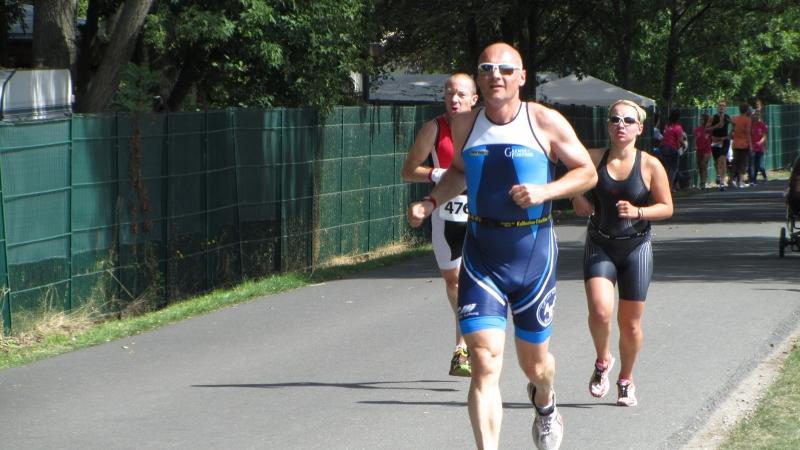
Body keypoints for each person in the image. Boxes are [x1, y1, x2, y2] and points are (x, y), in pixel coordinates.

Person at [407, 42, 597, 450]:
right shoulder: (465, 124)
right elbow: (460, 172)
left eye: (506, 69)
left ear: (521, 77)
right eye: (487, 68)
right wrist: (432, 201)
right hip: (481, 253)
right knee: (483, 361)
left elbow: (587, 172)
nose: (496, 75)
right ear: (478, 78)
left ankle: (545, 401)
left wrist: (546, 190)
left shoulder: (544, 121)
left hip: (532, 256)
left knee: (535, 364)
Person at [571, 99, 673, 408]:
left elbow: (667, 207)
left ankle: (626, 380)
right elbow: (569, 179)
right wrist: (577, 196)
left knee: (630, 324)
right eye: (615, 119)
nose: (621, 125)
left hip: (635, 248)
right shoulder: (593, 159)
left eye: (628, 121)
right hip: (600, 243)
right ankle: (603, 360)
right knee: (600, 311)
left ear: (639, 128)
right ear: (608, 125)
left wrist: (639, 211)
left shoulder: (650, 165)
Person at [401, 73, 479, 377]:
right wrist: (438, 174)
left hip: (481, 213)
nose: (454, 99)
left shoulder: (485, 127)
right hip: (446, 212)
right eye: (449, 94)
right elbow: (408, 171)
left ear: (474, 99)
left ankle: (466, 345)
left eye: (461, 94)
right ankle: (465, 342)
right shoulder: (434, 128)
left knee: (479, 278)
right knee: (454, 281)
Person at [706, 101, 732, 191]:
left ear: (726, 108)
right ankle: (718, 174)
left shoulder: (727, 117)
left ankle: (722, 182)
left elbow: (734, 125)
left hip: (724, 141)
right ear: (717, 107)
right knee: (716, 161)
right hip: (715, 141)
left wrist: (729, 135)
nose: (721, 107)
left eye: (723, 106)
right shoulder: (713, 118)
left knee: (722, 160)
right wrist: (716, 126)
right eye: (720, 106)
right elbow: (706, 129)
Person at [659, 110, 687, 191]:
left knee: (666, 168)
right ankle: (669, 188)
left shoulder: (667, 126)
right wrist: (684, 146)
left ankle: (665, 186)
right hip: (672, 148)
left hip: (663, 148)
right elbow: (680, 140)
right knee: (673, 169)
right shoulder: (678, 127)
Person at [730, 103, 752, 188]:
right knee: (742, 163)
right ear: (746, 110)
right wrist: (750, 145)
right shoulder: (748, 120)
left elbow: (732, 124)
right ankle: (741, 181)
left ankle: (731, 180)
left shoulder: (735, 118)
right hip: (744, 144)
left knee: (735, 162)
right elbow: (748, 133)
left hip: (735, 144)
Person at [694, 113, 712, 189]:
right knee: (700, 166)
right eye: (700, 119)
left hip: (707, 150)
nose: (700, 120)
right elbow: (696, 139)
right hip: (699, 150)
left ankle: (703, 182)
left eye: (702, 119)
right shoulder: (697, 129)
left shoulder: (709, 130)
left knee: (703, 165)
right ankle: (702, 181)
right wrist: (695, 145)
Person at [750, 110, 768, 183]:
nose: (756, 116)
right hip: (752, 147)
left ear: (759, 116)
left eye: (758, 115)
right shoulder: (750, 125)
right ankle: (753, 179)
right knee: (754, 164)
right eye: (755, 114)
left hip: (760, 148)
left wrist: (761, 143)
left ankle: (765, 177)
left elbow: (764, 136)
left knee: (760, 166)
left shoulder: (762, 125)